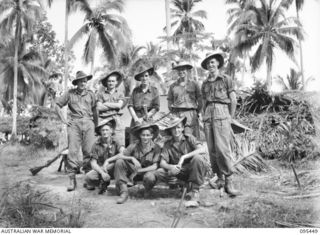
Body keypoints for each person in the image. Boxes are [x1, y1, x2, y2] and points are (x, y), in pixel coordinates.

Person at [200, 50, 240, 197]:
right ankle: (219, 178)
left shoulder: (226, 79)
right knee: (212, 150)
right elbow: (204, 102)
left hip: (222, 112)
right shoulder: (204, 83)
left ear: (217, 63)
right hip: (208, 114)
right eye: (208, 63)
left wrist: (230, 117)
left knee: (222, 149)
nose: (210, 65)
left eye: (212, 62)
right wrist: (203, 116)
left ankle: (229, 179)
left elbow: (233, 100)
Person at [55, 71, 98, 192]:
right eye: (81, 81)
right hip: (74, 123)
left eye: (85, 81)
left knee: (89, 151)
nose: (83, 83)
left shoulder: (91, 94)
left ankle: (89, 180)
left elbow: (95, 111)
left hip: (89, 122)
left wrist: (96, 125)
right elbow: (57, 105)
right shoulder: (70, 93)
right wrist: (64, 120)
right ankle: (72, 180)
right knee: (73, 151)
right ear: (77, 82)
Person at [105, 121, 162, 204]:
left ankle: (147, 190)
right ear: (140, 135)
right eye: (143, 135)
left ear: (152, 136)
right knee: (120, 162)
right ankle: (124, 192)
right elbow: (120, 155)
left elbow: (155, 166)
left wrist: (138, 171)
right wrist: (132, 158)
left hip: (146, 173)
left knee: (150, 177)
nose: (145, 138)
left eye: (148, 135)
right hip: (133, 173)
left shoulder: (156, 147)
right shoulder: (134, 145)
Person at [158, 115, 207, 205]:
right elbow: (162, 163)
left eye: (178, 127)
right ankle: (182, 184)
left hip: (193, 169)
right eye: (173, 128)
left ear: (182, 128)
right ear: (170, 130)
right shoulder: (168, 144)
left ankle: (195, 191)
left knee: (197, 158)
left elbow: (202, 149)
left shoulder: (189, 138)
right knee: (160, 172)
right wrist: (171, 167)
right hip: (180, 171)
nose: (176, 130)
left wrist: (183, 157)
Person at [84, 118, 125, 194]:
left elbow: (123, 153)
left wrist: (108, 161)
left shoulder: (116, 141)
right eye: (103, 130)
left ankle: (120, 184)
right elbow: (93, 163)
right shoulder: (96, 144)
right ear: (100, 132)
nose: (105, 132)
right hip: (102, 169)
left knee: (120, 162)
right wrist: (102, 172)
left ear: (111, 131)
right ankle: (103, 182)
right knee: (88, 177)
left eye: (107, 130)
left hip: (115, 167)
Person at [167, 61, 202, 138]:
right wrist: (172, 111)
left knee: (192, 138)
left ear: (187, 71)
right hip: (177, 114)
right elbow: (169, 100)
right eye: (179, 70)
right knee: (178, 137)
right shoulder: (173, 86)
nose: (181, 72)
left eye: (183, 69)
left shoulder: (194, 84)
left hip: (191, 113)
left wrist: (196, 112)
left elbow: (200, 99)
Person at [127, 64, 160, 143]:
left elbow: (156, 107)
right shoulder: (135, 91)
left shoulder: (154, 90)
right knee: (134, 142)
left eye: (146, 75)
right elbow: (130, 105)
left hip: (148, 119)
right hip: (136, 120)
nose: (144, 78)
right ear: (139, 78)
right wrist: (136, 119)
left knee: (149, 142)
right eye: (142, 76)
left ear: (149, 77)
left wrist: (144, 118)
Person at [96, 71, 126, 145]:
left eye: (113, 81)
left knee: (119, 142)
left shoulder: (120, 93)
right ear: (106, 82)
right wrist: (114, 106)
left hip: (116, 119)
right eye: (109, 81)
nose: (111, 83)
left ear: (116, 82)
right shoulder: (101, 94)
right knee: (104, 143)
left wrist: (106, 104)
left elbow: (119, 106)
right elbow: (99, 107)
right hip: (104, 120)